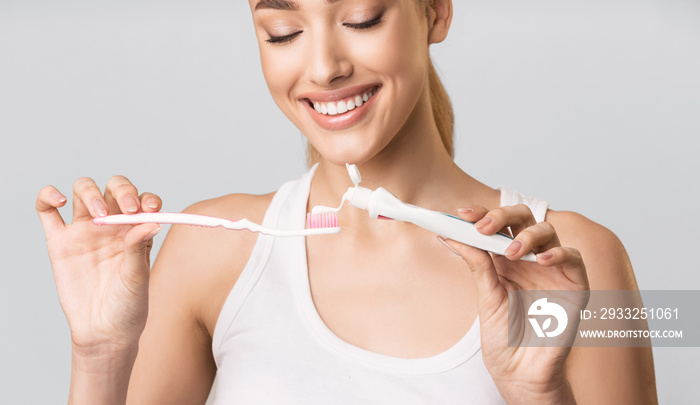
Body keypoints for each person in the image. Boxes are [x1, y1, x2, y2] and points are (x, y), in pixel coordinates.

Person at [36, 0, 657, 403]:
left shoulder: (586, 261)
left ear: (436, 13)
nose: (325, 66)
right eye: (283, 32)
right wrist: (99, 356)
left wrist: (536, 396)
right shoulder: (206, 251)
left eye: (361, 19)